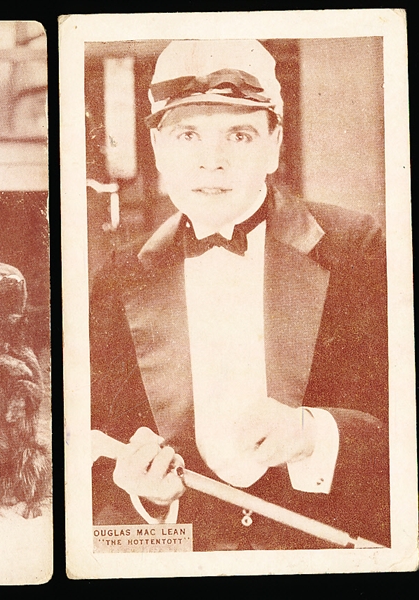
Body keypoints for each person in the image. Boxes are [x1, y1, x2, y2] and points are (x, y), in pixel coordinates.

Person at [89, 39, 389, 550]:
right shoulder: (118, 278)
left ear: (274, 145)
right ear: (158, 151)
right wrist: (146, 498)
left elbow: (400, 423)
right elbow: (100, 447)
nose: (213, 161)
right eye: (188, 135)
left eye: (240, 135)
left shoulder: (359, 248)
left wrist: (317, 433)